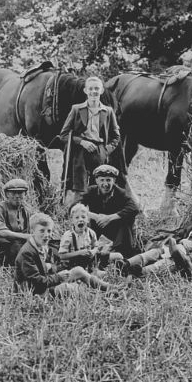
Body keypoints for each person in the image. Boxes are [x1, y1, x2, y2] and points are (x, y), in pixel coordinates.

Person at [118, 193, 192, 278]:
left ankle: (140, 272)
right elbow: (178, 235)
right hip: (178, 247)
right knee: (156, 251)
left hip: (191, 253)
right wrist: (182, 240)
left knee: (169, 260)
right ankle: (126, 264)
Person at [55, 75, 122, 208]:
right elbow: (63, 135)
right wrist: (81, 142)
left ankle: (94, 213)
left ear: (102, 91)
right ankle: (76, 212)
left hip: (99, 152)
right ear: (85, 91)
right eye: (90, 88)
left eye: (97, 88)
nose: (94, 91)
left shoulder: (108, 111)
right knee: (79, 187)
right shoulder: (76, 109)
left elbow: (116, 136)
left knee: (98, 185)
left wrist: (105, 150)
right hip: (80, 152)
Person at [14, 213, 112, 296]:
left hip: (45, 283)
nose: (46, 235)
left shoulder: (41, 246)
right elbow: (37, 282)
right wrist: (59, 277)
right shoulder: (27, 252)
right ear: (32, 232)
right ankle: (94, 293)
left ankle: (107, 287)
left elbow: (49, 268)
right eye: (42, 231)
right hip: (34, 291)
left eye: (49, 231)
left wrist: (51, 268)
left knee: (78, 270)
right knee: (69, 288)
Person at [80, 164, 141, 262]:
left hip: (114, 228)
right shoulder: (91, 191)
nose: (105, 184)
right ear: (96, 181)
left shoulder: (120, 192)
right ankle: (87, 248)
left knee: (126, 221)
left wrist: (110, 218)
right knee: (82, 219)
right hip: (97, 225)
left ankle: (122, 253)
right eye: (102, 180)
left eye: (108, 180)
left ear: (114, 181)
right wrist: (94, 216)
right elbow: (76, 206)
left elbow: (134, 208)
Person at [0, 178, 33, 265]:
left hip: (21, 242)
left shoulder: (27, 210)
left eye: (20, 193)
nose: (17, 196)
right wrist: (25, 236)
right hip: (5, 244)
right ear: (7, 194)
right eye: (13, 193)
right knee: (16, 247)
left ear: (25, 194)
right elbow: (0, 232)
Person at [57, 203, 99, 271]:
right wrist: (80, 252)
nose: (80, 219)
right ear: (72, 220)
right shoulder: (68, 236)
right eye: (77, 217)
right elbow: (62, 256)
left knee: (116, 256)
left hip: (88, 263)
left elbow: (96, 246)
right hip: (73, 266)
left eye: (83, 217)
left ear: (88, 219)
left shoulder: (91, 233)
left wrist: (93, 251)